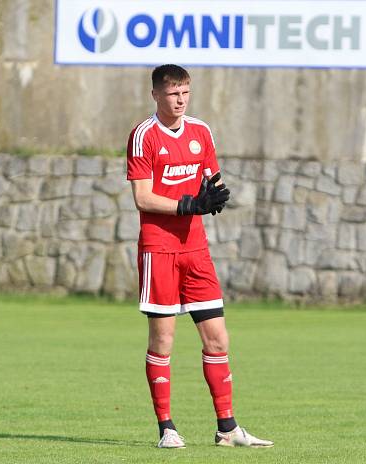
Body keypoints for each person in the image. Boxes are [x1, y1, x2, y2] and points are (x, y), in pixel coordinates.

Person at [125, 64, 274, 449]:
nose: (180, 100)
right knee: (163, 342)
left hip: (196, 251)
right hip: (159, 249)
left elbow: (212, 177)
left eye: (185, 92)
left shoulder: (201, 131)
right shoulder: (143, 137)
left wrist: (218, 194)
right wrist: (189, 204)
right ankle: (167, 429)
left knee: (218, 339)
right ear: (156, 94)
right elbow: (142, 197)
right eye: (173, 93)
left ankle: (227, 428)